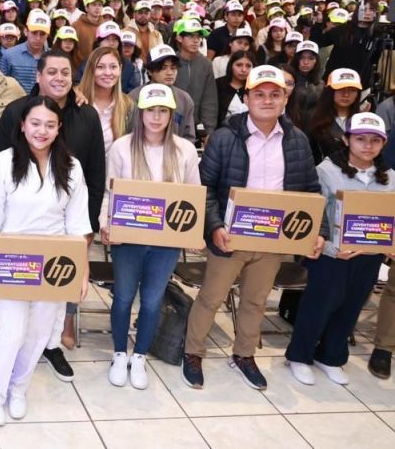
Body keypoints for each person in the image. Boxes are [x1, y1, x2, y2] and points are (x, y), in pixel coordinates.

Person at [183, 65, 326, 391]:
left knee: (255, 301)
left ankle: (244, 354)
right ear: (246, 98)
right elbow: (205, 188)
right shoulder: (224, 138)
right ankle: (192, 352)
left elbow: (311, 191)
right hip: (229, 237)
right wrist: (214, 227)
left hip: (272, 239)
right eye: (259, 94)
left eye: (275, 94)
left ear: (285, 99)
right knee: (210, 298)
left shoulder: (297, 141)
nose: (267, 100)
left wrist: (320, 230)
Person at [0, 97, 91, 426]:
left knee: (38, 334)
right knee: (12, 331)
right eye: (35, 123)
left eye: (50, 125)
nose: (42, 131)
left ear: (59, 128)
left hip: (54, 266)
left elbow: (78, 224)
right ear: (22, 125)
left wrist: (82, 272)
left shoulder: (71, 167)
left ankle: (18, 389)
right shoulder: (3, 163)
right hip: (8, 263)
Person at [101, 83, 200, 389]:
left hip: (166, 243)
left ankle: (140, 355)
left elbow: (194, 195)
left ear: (172, 115)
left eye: (163, 111)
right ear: (140, 114)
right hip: (128, 240)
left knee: (153, 300)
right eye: (150, 111)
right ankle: (120, 353)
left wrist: (194, 234)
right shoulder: (121, 147)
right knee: (123, 297)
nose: (156, 117)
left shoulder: (184, 150)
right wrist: (106, 224)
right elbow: (108, 193)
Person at [285, 112, 395, 386]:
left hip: (369, 256)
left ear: (383, 143)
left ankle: (331, 356)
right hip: (331, 255)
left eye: (375, 140)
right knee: (318, 306)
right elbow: (314, 215)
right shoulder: (326, 171)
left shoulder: (390, 177)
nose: (367, 146)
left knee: (351, 307)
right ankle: (299, 356)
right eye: (360, 139)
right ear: (346, 140)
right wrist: (332, 248)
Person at [127, 45, 197, 143]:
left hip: (174, 151)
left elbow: (188, 137)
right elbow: (127, 134)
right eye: (163, 68)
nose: (169, 73)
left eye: (173, 68)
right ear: (150, 71)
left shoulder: (184, 99)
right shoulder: (133, 98)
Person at [77, 46, 133, 155]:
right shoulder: (77, 100)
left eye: (113, 67)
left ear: (120, 69)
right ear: (91, 69)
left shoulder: (128, 105)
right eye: (100, 67)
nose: (108, 72)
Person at [173, 18, 217, 142]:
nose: (196, 40)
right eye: (191, 36)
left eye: (198, 36)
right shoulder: (171, 63)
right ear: (179, 38)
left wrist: (208, 130)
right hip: (172, 127)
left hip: (198, 129)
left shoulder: (206, 64)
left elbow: (210, 99)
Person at [306, 69, 363, 164]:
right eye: (340, 89)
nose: (346, 94)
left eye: (352, 90)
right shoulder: (313, 117)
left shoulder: (362, 120)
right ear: (330, 91)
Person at [0, 10, 50, 94]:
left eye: (42, 34)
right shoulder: (9, 55)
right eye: (34, 33)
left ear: (48, 35)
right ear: (26, 31)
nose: (38, 38)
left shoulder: (54, 57)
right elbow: (1, 86)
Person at [215, 50, 256, 127]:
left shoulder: (255, 87)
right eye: (239, 65)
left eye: (248, 66)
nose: (244, 70)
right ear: (231, 65)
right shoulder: (217, 85)